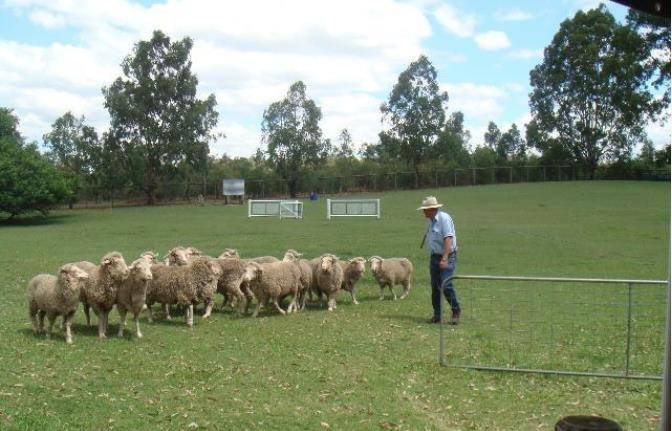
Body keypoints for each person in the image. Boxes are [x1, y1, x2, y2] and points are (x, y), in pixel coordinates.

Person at [417, 196, 460, 325]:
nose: (423, 212)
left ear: (432, 209)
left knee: (445, 284)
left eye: (425, 209)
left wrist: (445, 258)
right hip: (434, 256)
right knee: (435, 287)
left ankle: (456, 311)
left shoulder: (444, 219)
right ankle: (437, 315)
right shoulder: (430, 220)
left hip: (447, 256)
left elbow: (448, 239)